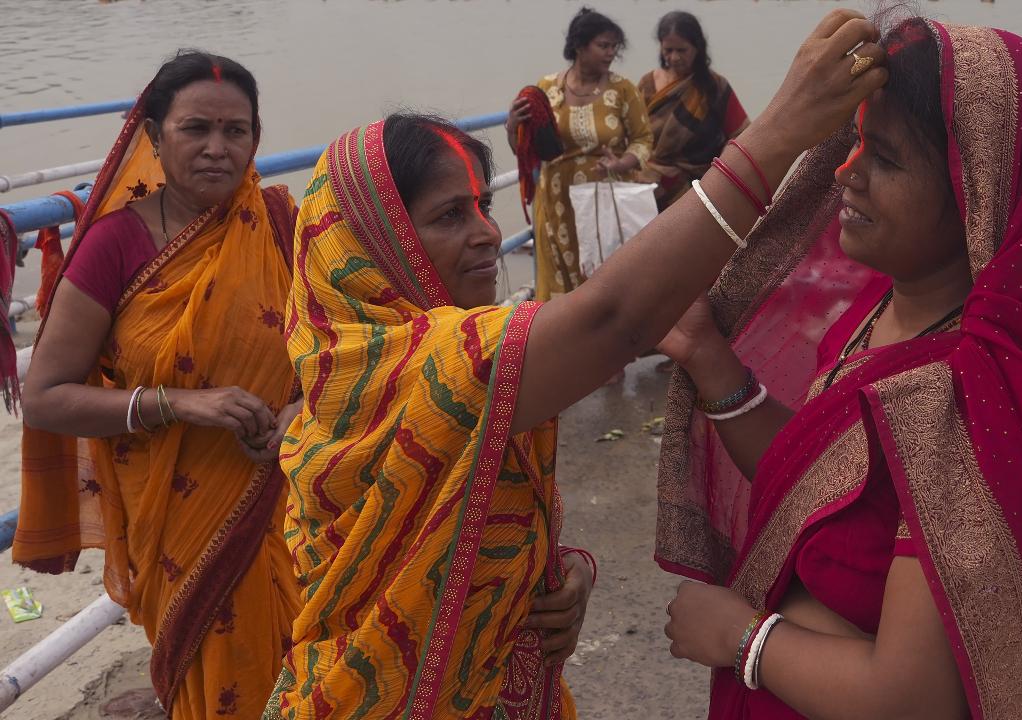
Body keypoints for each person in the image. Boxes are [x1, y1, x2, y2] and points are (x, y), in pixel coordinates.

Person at [266, 10, 889, 717]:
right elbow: (613, 320)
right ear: (370, 249)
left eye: (481, 205)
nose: (487, 235)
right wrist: (780, 131)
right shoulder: (412, 368)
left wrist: (565, 575)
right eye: (448, 218)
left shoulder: (389, 361)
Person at [654, 17, 1022, 720]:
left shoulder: (971, 398)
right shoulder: (884, 313)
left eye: (887, 158)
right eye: (853, 143)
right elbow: (820, 480)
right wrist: (708, 356)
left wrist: (740, 636)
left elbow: (916, 697)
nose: (847, 172)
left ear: (977, 197)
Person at [14, 51, 301, 719]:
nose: (216, 148)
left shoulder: (284, 227)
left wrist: (300, 412)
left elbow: (339, 357)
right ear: (151, 137)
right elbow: (47, 396)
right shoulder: (115, 245)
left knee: (302, 671)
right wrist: (178, 404)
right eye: (195, 128)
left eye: (236, 132)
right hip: (173, 519)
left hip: (287, 500)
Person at [506, 7, 653, 301]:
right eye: (603, 45)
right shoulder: (547, 89)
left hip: (604, 199)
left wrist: (620, 162)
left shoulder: (623, 90)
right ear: (579, 46)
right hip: (556, 202)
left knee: (605, 277)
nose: (611, 52)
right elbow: (528, 151)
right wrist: (512, 127)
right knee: (560, 282)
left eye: (614, 46)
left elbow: (643, 139)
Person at [636, 11, 751, 210]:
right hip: (647, 190)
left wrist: (719, 174)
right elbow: (633, 135)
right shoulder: (647, 84)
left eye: (682, 50)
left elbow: (741, 135)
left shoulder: (715, 87)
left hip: (699, 191)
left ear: (697, 48)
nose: (674, 57)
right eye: (668, 50)